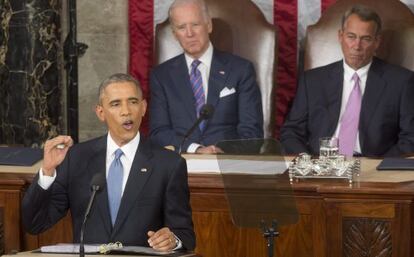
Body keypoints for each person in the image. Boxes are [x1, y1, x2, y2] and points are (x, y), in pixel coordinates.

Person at [22, 73, 195, 251]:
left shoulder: (169, 164)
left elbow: (185, 234)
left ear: (143, 108)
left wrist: (173, 240)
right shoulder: (76, 158)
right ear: (101, 112)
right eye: (115, 104)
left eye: (133, 102)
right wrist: (48, 171)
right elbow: (35, 224)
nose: (126, 111)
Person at [280, 5, 414, 157]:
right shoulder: (312, 81)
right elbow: (291, 131)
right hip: (320, 165)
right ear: (340, 36)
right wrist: (306, 161)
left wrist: (380, 166)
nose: (357, 46)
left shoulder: (401, 82)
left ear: (377, 42)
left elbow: (410, 137)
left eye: (366, 39)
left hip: (373, 168)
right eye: (351, 37)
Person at [149, 0, 263, 154]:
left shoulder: (240, 70)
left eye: (195, 24)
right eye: (182, 27)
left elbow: (251, 131)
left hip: (227, 163)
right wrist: (196, 149)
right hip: (181, 163)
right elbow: (158, 132)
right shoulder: (161, 76)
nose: (190, 33)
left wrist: (222, 152)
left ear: (208, 25)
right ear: (174, 34)